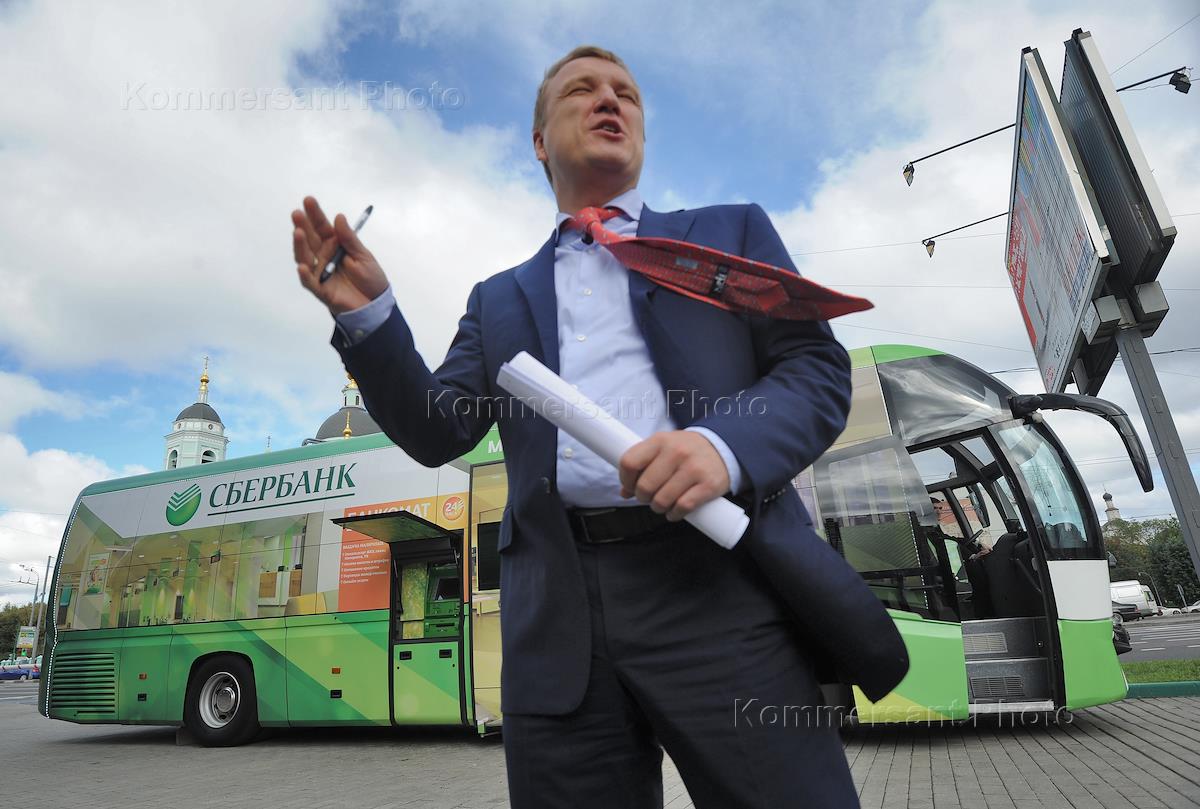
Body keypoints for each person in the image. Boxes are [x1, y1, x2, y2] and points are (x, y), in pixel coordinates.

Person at [292, 45, 906, 808]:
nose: (609, 100)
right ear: (539, 141)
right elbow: (438, 429)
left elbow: (814, 370)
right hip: (559, 612)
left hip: (718, 586)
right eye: (580, 91)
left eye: (626, 93)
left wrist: (722, 448)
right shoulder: (498, 300)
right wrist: (371, 318)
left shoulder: (728, 234)